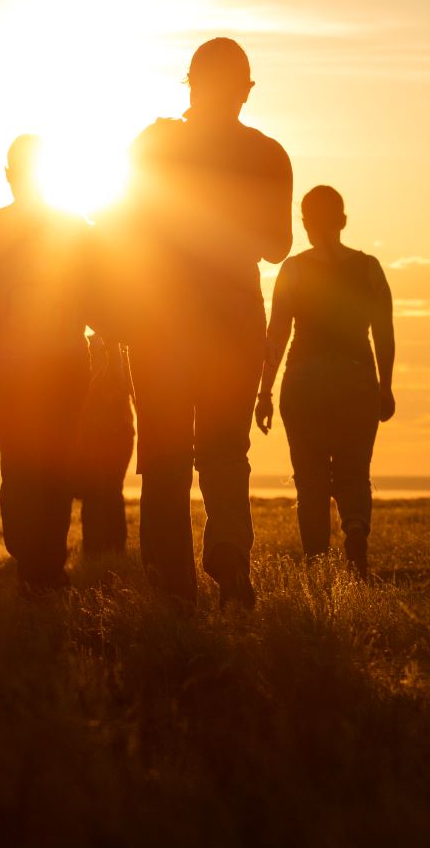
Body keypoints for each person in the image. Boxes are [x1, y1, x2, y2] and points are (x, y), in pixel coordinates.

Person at [95, 38, 292, 606]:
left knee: (164, 456)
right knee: (225, 450)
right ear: (247, 90)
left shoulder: (153, 145)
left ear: (189, 83)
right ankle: (230, 563)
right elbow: (278, 246)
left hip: (162, 323)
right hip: (232, 321)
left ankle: (172, 589)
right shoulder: (268, 155)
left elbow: (118, 230)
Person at [0, 135, 91, 590]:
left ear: (10, 174)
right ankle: (39, 560)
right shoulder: (73, 226)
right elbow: (93, 296)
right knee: (47, 463)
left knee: (26, 463)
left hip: (27, 364)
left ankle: (39, 561)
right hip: (45, 363)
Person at [255, 186, 395, 575]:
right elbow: (385, 333)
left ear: (304, 224)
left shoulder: (294, 270)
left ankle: (317, 565)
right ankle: (355, 533)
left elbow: (276, 334)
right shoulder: (369, 268)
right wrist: (385, 386)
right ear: (343, 221)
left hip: (304, 380)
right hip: (357, 375)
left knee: (310, 479)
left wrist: (264, 391)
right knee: (354, 470)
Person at [75, 334, 134, 558]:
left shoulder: (86, 351)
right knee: (109, 491)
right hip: (116, 434)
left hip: (102, 435)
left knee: (97, 493)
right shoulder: (121, 352)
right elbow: (135, 395)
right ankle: (111, 548)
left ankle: (97, 549)